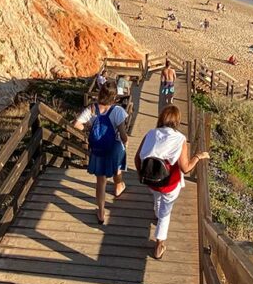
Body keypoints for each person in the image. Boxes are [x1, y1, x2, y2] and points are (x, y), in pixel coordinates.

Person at [135, 105, 209, 259]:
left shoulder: (151, 133)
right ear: (177, 121)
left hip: (151, 179)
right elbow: (186, 168)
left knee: (157, 196)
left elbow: (137, 157)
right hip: (169, 183)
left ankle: (156, 213)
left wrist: (140, 173)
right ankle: (159, 244)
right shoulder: (180, 139)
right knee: (165, 213)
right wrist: (198, 157)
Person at [73, 84, 129, 224]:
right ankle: (118, 186)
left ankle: (101, 212)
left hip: (98, 149)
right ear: (114, 96)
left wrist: (89, 127)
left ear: (100, 94)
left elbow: (76, 124)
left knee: (101, 181)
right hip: (113, 147)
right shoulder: (118, 110)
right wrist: (126, 143)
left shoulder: (92, 109)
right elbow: (123, 135)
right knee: (116, 166)